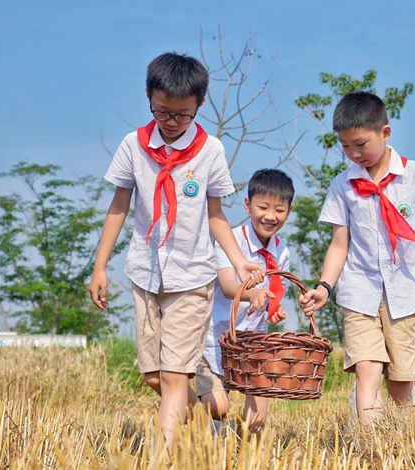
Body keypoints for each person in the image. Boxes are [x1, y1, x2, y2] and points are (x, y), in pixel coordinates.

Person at [88, 52, 265, 453]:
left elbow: (216, 215)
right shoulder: (133, 145)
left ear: (199, 106)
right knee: (154, 376)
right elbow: (119, 207)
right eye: (162, 111)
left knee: (172, 378)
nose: (171, 122)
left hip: (191, 276)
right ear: (149, 97)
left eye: (182, 115)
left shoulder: (211, 151)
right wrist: (100, 267)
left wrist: (239, 261)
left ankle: (162, 458)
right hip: (144, 273)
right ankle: (202, 426)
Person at [299, 91, 415, 425]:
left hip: (407, 291)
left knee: (400, 377)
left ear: (385, 132)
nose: (354, 154)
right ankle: (370, 447)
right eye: (346, 146)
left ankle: (409, 445)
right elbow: (340, 244)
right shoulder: (342, 185)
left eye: (361, 144)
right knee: (366, 368)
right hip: (358, 290)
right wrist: (324, 286)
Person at [197, 168, 294, 436]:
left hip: (254, 341)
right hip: (217, 338)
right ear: (248, 205)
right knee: (218, 407)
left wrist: (274, 309)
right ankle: (200, 427)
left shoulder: (282, 251)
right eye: (263, 207)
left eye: (280, 210)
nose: (271, 216)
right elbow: (229, 286)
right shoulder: (232, 241)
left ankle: (244, 455)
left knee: (257, 423)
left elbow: (276, 290)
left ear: (289, 210)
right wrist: (251, 293)